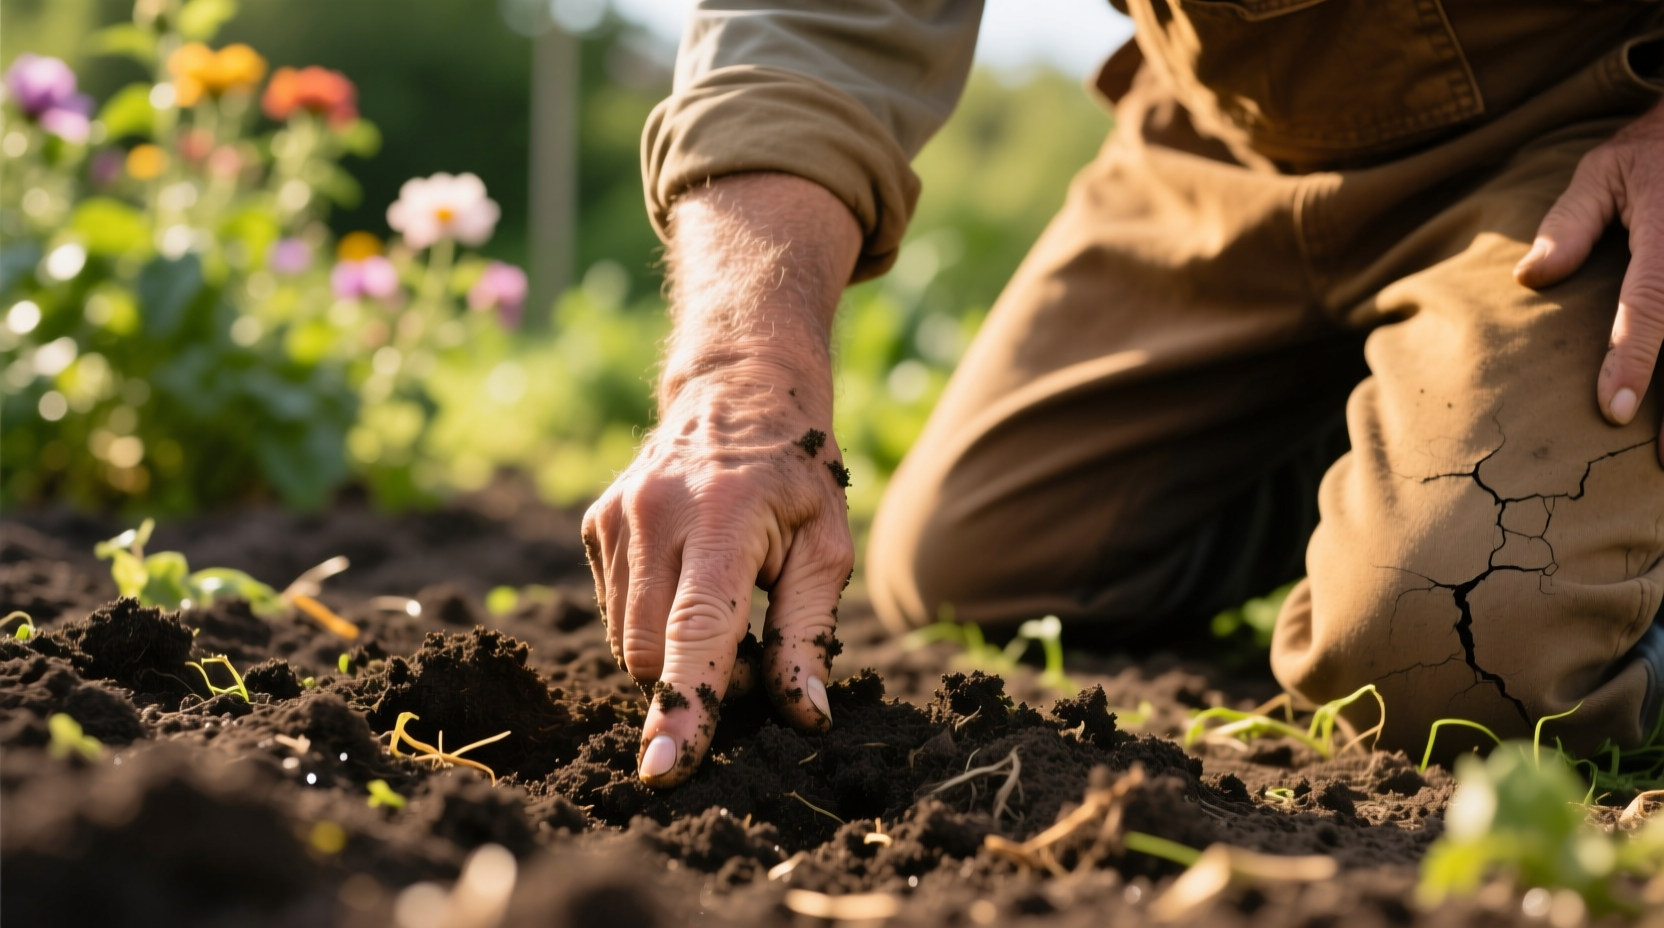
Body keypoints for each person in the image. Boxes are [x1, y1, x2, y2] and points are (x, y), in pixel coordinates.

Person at [582, 0, 1664, 787]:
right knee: (972, 563)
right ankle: (1420, 433)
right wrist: (739, 379)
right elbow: (812, 24)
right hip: (1229, 138)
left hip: (1582, 117)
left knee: (1447, 669)